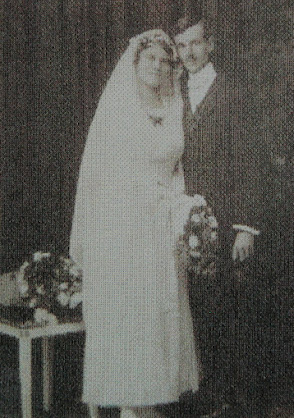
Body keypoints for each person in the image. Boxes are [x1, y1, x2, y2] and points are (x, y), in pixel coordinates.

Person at [70, 30, 199, 418]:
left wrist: (181, 208)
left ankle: (149, 402)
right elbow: (101, 173)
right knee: (131, 313)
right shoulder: (119, 107)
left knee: (160, 312)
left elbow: (176, 167)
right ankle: (130, 405)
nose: (157, 67)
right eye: (150, 60)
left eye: (164, 61)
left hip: (163, 224)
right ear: (135, 63)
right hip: (125, 225)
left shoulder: (174, 103)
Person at [173, 15, 265, 417]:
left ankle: (231, 397)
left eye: (195, 43)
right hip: (184, 217)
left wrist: (244, 227)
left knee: (226, 307)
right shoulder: (173, 93)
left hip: (227, 219)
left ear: (209, 45)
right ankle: (199, 390)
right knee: (191, 307)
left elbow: (252, 160)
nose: (188, 53)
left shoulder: (234, 92)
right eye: (181, 46)